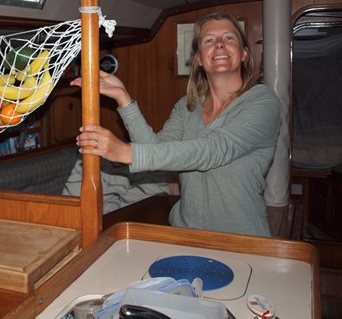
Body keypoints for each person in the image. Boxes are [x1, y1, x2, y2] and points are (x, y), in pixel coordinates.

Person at [71, 12, 282, 237]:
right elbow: (156, 151)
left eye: (229, 38)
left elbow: (215, 149)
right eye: (209, 40)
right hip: (185, 234)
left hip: (242, 239)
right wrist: (123, 97)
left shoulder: (262, 102)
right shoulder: (187, 107)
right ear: (198, 58)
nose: (219, 44)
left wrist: (125, 152)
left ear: (244, 53)